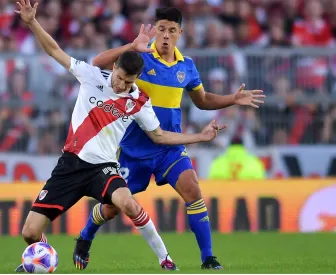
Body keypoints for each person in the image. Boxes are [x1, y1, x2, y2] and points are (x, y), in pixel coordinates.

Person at [13, 1, 227, 272]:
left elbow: (160, 136)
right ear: (115, 69)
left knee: (128, 203)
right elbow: (55, 50)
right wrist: (32, 22)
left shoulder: (138, 100)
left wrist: (200, 137)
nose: (121, 86)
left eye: (128, 82)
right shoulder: (91, 76)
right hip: (70, 165)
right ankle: (42, 254)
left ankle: (166, 260)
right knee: (29, 233)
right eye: (120, 78)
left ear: (136, 80)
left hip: (104, 168)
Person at [75, 7, 266, 270]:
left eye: (171, 30)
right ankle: (85, 236)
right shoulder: (140, 59)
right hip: (134, 149)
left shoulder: (186, 66)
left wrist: (232, 99)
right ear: (155, 30)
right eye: (161, 29)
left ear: (180, 33)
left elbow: (203, 100)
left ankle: (208, 258)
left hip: (169, 147)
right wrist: (130, 46)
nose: (165, 35)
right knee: (111, 208)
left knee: (193, 189)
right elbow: (97, 63)